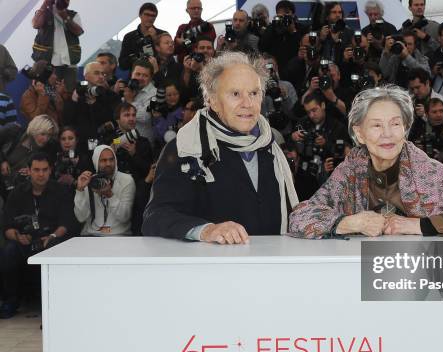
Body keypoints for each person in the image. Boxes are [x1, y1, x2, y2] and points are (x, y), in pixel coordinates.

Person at [288, 85, 443, 238]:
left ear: (405, 129)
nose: (387, 134)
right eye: (377, 126)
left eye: (395, 124)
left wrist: (418, 225)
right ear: (360, 133)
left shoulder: (424, 169)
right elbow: (299, 217)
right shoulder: (351, 168)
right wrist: (349, 222)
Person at [142, 52, 299, 243]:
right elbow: (156, 216)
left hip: (273, 266)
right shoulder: (185, 148)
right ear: (212, 100)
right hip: (214, 268)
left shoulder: (271, 145)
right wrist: (206, 231)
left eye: (254, 93)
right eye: (235, 94)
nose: (247, 104)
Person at [1, 152, 76, 319]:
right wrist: (17, 236)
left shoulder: (61, 191)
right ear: (29, 170)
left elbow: (66, 223)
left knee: (57, 246)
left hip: (52, 240)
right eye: (36, 170)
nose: (41, 174)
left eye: (44, 170)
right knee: (8, 251)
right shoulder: (17, 193)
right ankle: (11, 301)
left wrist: (53, 236)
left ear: (50, 170)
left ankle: (54, 303)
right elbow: (6, 227)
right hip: (25, 241)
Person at [289, 91, 352, 200]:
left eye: (314, 110)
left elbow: (347, 153)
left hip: (331, 178)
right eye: (308, 112)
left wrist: (326, 143)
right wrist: (293, 139)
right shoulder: (303, 124)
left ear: (322, 105)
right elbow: (292, 150)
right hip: (305, 178)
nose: (311, 115)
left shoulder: (337, 126)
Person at [74, 145, 136, 236]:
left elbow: (125, 217)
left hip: (118, 235)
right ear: (95, 162)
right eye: (103, 160)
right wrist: (80, 190)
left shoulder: (127, 180)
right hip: (92, 235)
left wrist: (110, 195)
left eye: (111, 159)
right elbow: (81, 218)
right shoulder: (90, 181)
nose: (108, 163)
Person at [63, 61, 121, 152]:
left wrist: (94, 104)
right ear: (86, 76)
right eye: (96, 73)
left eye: (103, 74)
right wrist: (74, 100)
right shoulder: (77, 94)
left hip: (107, 144)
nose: (101, 77)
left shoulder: (111, 96)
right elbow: (66, 120)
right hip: (82, 146)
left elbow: (114, 119)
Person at [31, 0, 84, 91]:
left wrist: (64, 16)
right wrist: (45, 4)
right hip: (47, 63)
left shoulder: (72, 14)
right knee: (48, 92)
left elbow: (78, 31)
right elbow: (36, 24)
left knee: (69, 92)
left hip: (68, 63)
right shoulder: (44, 13)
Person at [259, 1, 304, 80]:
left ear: (293, 14)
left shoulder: (300, 28)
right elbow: (262, 47)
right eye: (281, 14)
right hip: (276, 70)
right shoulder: (272, 28)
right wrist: (274, 28)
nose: (284, 17)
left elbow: (301, 48)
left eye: (287, 13)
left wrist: (293, 31)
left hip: (296, 70)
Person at [118, 3, 165, 72]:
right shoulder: (129, 37)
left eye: (153, 15)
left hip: (158, 75)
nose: (150, 18)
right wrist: (136, 57)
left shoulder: (162, 34)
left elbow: (167, 57)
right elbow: (122, 64)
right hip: (136, 76)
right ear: (140, 15)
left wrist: (155, 40)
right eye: (147, 14)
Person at [122, 59, 157, 146]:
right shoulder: (126, 89)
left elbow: (146, 117)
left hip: (142, 143)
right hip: (123, 139)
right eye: (137, 74)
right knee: (113, 143)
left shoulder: (155, 94)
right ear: (131, 74)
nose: (140, 78)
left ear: (150, 78)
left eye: (145, 75)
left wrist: (130, 101)